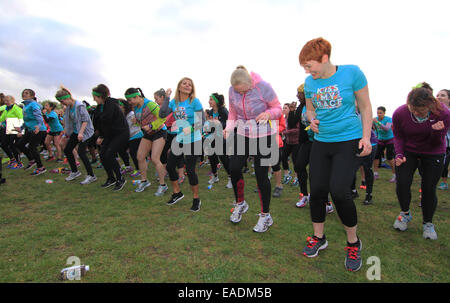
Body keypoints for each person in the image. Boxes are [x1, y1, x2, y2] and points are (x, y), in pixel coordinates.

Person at [298, 38, 373, 272]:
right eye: (305, 68)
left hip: (348, 140)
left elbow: (366, 106)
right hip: (321, 142)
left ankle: (353, 242)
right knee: (318, 190)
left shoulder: (352, 73)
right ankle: (319, 238)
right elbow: (310, 109)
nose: (308, 71)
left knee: (340, 191)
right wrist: (312, 120)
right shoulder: (310, 83)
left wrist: (367, 137)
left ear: (324, 58)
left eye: (310, 65)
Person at [224, 65, 282, 232]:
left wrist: (268, 114)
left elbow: (277, 108)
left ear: (249, 83)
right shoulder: (232, 90)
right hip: (243, 132)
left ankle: (265, 215)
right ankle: (240, 203)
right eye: (237, 91)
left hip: (265, 134)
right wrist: (228, 128)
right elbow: (233, 113)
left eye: (243, 91)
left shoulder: (263, 87)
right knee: (234, 168)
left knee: (261, 175)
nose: (240, 93)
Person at [392, 86, 450, 240]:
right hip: (409, 151)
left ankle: (428, 223)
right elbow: (398, 135)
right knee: (402, 182)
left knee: (429, 188)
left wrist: (437, 132)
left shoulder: (444, 113)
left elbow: (436, 142)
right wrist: (399, 154)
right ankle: (405, 213)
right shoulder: (400, 113)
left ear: (430, 105)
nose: (416, 113)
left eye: (421, 111)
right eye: (413, 109)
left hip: (433, 151)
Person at [159, 77, 204, 212]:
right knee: (171, 166)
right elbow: (162, 114)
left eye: (190, 84)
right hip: (179, 138)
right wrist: (166, 98)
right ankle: (177, 193)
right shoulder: (174, 102)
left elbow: (201, 121)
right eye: (184, 83)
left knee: (190, 170)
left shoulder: (194, 102)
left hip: (194, 139)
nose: (187, 86)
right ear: (179, 87)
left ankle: (196, 199)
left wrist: (190, 128)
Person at [125, 87, 167, 195]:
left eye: (130, 100)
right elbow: (143, 122)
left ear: (137, 97)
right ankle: (144, 181)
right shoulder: (135, 108)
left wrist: (151, 125)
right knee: (140, 156)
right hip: (148, 134)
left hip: (159, 132)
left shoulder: (150, 104)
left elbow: (163, 117)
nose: (129, 103)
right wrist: (137, 122)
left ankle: (163, 185)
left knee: (155, 158)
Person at [55, 86, 97, 185]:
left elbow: (85, 120)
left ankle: (91, 176)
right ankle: (75, 172)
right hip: (76, 131)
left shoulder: (79, 106)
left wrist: (81, 133)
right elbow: (70, 121)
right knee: (67, 150)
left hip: (85, 132)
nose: (62, 104)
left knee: (82, 153)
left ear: (68, 98)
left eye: (62, 101)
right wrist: (65, 131)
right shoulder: (69, 108)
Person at [92, 84, 129, 191]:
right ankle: (111, 178)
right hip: (110, 134)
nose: (93, 99)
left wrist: (102, 136)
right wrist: (99, 136)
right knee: (102, 155)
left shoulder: (111, 104)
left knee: (110, 154)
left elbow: (107, 121)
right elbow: (98, 122)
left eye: (95, 96)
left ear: (100, 96)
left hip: (120, 133)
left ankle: (120, 178)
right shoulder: (100, 107)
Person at [14, 89, 48, 176]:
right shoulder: (25, 105)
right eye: (23, 93)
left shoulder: (33, 104)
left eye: (26, 93)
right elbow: (27, 120)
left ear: (32, 96)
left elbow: (39, 116)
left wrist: (39, 125)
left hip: (38, 130)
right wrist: (21, 128)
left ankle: (41, 167)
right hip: (30, 130)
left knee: (32, 147)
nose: (24, 94)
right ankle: (32, 160)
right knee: (19, 144)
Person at [205, 93, 232, 188]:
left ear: (216, 101)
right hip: (212, 138)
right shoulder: (211, 112)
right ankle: (215, 176)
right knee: (212, 158)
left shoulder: (223, 111)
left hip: (222, 139)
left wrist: (218, 123)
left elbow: (229, 123)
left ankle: (231, 178)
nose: (209, 101)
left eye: (211, 99)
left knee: (224, 159)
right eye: (209, 99)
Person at [373, 106, 396, 182]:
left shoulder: (389, 119)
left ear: (384, 113)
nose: (379, 114)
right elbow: (374, 128)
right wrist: (376, 135)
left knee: (390, 157)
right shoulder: (375, 119)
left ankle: (395, 175)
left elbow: (387, 129)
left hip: (389, 140)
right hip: (380, 140)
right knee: (376, 156)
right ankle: (375, 173)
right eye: (378, 113)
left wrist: (378, 122)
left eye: (380, 113)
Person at [0, 95, 23, 169]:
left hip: (16, 128)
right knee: (3, 144)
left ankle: (19, 163)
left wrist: (20, 131)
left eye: (7, 101)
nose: (6, 102)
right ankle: (13, 160)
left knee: (12, 145)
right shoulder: (7, 109)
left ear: (12, 100)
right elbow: (2, 118)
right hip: (9, 128)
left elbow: (21, 119)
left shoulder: (16, 108)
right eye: (5, 101)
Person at [436, 89, 449, 190]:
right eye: (437, 95)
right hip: (442, 144)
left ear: (449, 99)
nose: (439, 97)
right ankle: (444, 182)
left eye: (443, 95)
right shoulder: (434, 112)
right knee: (444, 164)